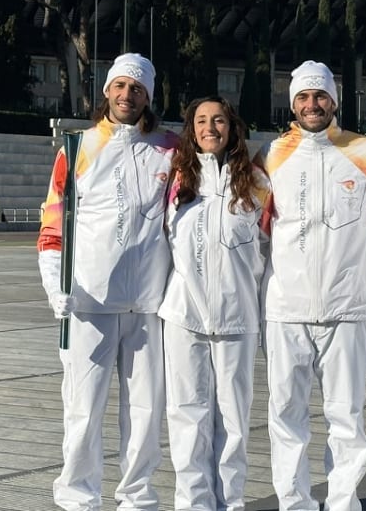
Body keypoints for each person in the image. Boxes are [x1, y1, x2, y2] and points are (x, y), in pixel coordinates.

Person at [36, 53, 177, 511]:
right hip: (89, 302)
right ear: (106, 91)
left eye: (136, 89)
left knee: (144, 412)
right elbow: (53, 227)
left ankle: (137, 498)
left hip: (149, 305)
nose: (126, 95)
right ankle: (78, 498)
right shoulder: (76, 150)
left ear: (148, 96)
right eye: (119, 86)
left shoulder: (171, 149)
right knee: (82, 410)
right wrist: (55, 287)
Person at [261, 60, 366, 511]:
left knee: (346, 417)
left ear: (334, 100)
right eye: (303, 97)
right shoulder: (272, 155)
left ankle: (341, 503)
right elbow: (251, 227)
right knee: (286, 416)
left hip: (348, 308)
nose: (312, 104)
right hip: (285, 308)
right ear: (292, 102)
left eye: (320, 96)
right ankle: (294, 503)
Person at [158, 96, 271, 511]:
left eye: (218, 120)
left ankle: (231, 503)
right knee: (188, 416)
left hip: (238, 318)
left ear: (232, 126)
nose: (210, 128)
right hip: (184, 315)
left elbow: (272, 248)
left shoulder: (258, 183)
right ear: (191, 129)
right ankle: (193, 504)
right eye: (201, 121)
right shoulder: (176, 179)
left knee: (233, 421)